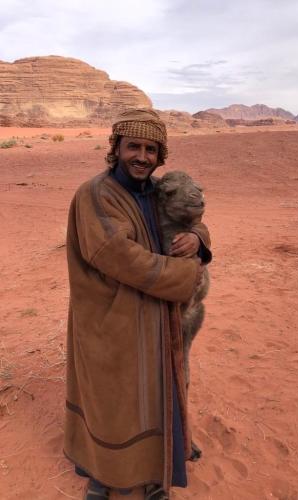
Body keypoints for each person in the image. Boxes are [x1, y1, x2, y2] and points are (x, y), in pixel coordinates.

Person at [64, 108, 212, 500]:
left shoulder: (154, 190)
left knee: (158, 394)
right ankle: (103, 474)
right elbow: (118, 256)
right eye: (133, 147)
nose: (142, 156)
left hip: (155, 316)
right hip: (109, 317)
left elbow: (190, 217)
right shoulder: (94, 195)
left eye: (151, 149)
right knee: (111, 397)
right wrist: (187, 276)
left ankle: (155, 474)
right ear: (116, 148)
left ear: (160, 156)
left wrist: (198, 238)